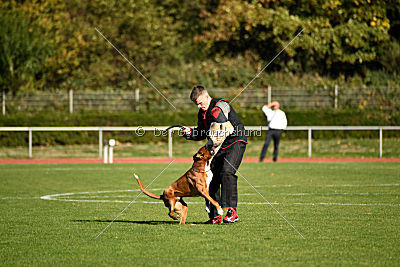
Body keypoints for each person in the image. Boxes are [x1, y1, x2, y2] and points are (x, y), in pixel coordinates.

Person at [182, 85, 247, 224]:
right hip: (218, 147)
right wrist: (190, 134)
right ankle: (216, 215)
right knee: (213, 177)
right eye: (196, 104)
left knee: (227, 172)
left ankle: (232, 211)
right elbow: (202, 132)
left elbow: (223, 124)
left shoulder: (220, 104)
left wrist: (215, 129)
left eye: (200, 103)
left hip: (235, 141)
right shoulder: (202, 113)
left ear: (207, 96)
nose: (199, 106)